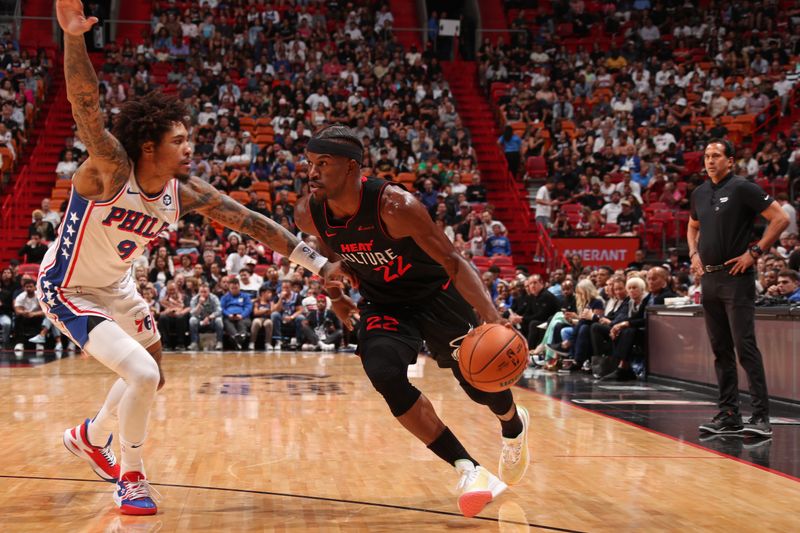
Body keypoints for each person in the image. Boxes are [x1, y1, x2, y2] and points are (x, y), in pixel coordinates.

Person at [40, 2, 344, 516]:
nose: (189, 147)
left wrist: (319, 265)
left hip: (116, 286)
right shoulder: (112, 168)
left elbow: (252, 222)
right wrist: (73, 38)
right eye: (178, 140)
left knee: (153, 369)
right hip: (67, 288)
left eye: (189, 138)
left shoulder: (184, 191)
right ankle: (132, 477)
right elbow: (85, 106)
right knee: (139, 374)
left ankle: (91, 436)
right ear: (149, 145)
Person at [294, 125, 529, 518]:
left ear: (352, 168)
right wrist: (336, 298)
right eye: (309, 163)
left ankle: (513, 424)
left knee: (477, 383)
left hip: (436, 296)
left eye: (322, 164)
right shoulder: (308, 212)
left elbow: (452, 261)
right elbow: (337, 261)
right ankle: (469, 469)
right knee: (384, 373)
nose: (312, 172)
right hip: (384, 304)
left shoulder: (395, 207)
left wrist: (493, 319)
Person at [688, 138, 790, 438]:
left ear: (730, 161)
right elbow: (692, 226)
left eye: (716, 156)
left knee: (744, 347)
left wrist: (755, 252)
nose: (710, 161)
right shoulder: (699, 192)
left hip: (736, 277)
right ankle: (729, 414)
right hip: (709, 278)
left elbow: (780, 218)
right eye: (706, 156)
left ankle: (760, 417)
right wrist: (693, 254)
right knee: (720, 350)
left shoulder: (743, 188)